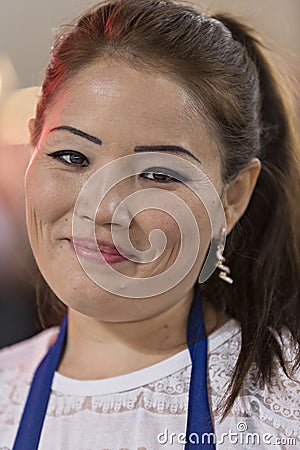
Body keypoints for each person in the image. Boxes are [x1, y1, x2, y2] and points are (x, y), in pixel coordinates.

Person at [0, 0, 299, 448]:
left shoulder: (283, 406)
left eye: (158, 175)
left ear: (232, 196)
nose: (102, 209)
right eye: (72, 157)